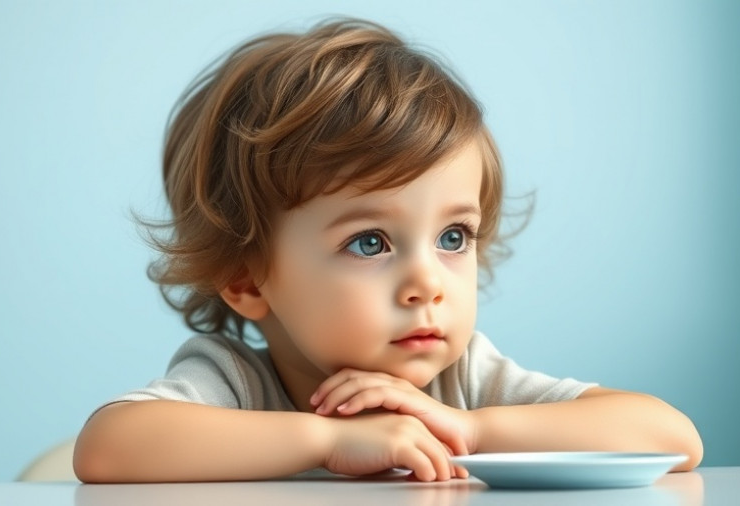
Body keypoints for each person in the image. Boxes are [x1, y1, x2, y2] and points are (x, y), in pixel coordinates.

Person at [73, 17, 703, 483]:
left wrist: (473, 430)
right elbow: (108, 448)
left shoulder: (461, 384)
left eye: (453, 237)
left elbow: (671, 436)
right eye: (369, 242)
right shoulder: (236, 382)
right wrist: (323, 440)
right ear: (247, 278)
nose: (427, 283)